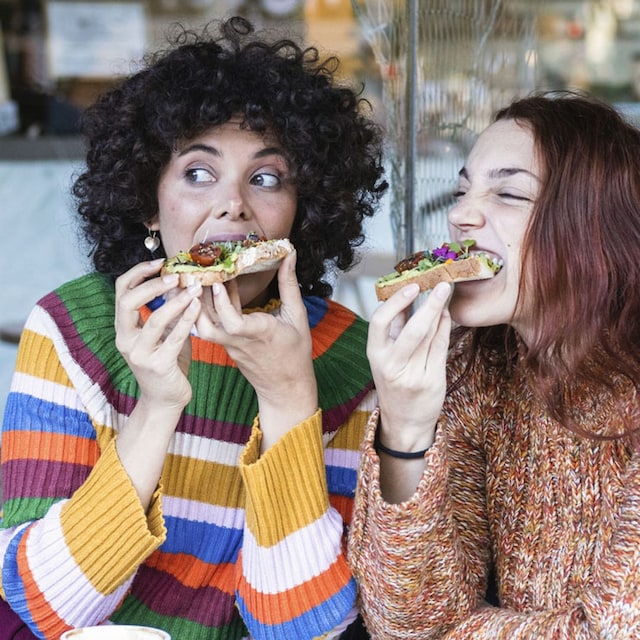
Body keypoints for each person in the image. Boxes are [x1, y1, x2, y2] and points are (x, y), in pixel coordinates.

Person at [0, 16, 387, 640]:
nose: (232, 204)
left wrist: (289, 398)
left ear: (303, 212)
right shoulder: (75, 328)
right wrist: (157, 407)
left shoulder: (351, 357)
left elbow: (305, 631)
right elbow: (43, 607)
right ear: (150, 203)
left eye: (266, 178)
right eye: (198, 173)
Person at [348, 90, 640, 638]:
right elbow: (403, 623)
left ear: (599, 227)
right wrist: (406, 424)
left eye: (508, 193)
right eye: (462, 189)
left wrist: (460, 629)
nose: (460, 214)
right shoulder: (473, 366)